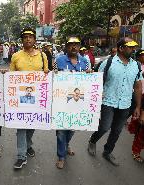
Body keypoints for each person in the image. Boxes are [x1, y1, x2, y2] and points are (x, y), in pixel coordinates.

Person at [88, 38, 142, 166]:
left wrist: (138, 107)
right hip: (108, 101)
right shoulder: (108, 63)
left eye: (134, 47)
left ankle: (107, 151)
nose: (133, 49)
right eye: (130, 47)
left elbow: (138, 86)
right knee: (105, 127)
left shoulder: (136, 65)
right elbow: (96, 80)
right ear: (121, 48)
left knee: (117, 130)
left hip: (125, 104)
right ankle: (92, 140)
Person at [10, 27, 49, 169]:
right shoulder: (16, 56)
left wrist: (48, 73)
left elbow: (47, 74)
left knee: (32, 124)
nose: (28, 39)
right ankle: (21, 156)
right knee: (21, 126)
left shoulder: (43, 56)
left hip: (38, 97)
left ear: (34, 39)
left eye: (30, 37)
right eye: (25, 37)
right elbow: (11, 77)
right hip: (20, 97)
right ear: (22, 40)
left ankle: (28, 145)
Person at [53, 37, 89, 169]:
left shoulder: (85, 62)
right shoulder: (59, 60)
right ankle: (61, 156)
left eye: (76, 45)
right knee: (61, 131)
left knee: (72, 129)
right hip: (62, 102)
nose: (74, 47)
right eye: (71, 45)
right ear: (66, 47)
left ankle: (66, 145)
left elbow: (90, 80)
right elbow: (53, 77)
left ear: (79, 46)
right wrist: (53, 74)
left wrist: (90, 75)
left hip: (78, 102)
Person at [127, 49, 144, 163]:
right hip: (139, 96)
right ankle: (136, 151)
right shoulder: (136, 66)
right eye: (142, 55)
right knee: (141, 130)